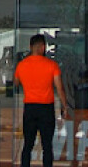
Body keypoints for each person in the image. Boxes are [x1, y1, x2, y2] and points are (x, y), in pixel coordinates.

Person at [14, 34, 67, 167]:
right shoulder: (52, 65)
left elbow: (15, 83)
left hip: (29, 108)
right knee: (47, 146)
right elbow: (60, 88)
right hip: (46, 109)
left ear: (30, 47)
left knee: (28, 145)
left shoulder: (21, 65)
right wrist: (64, 106)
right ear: (43, 47)